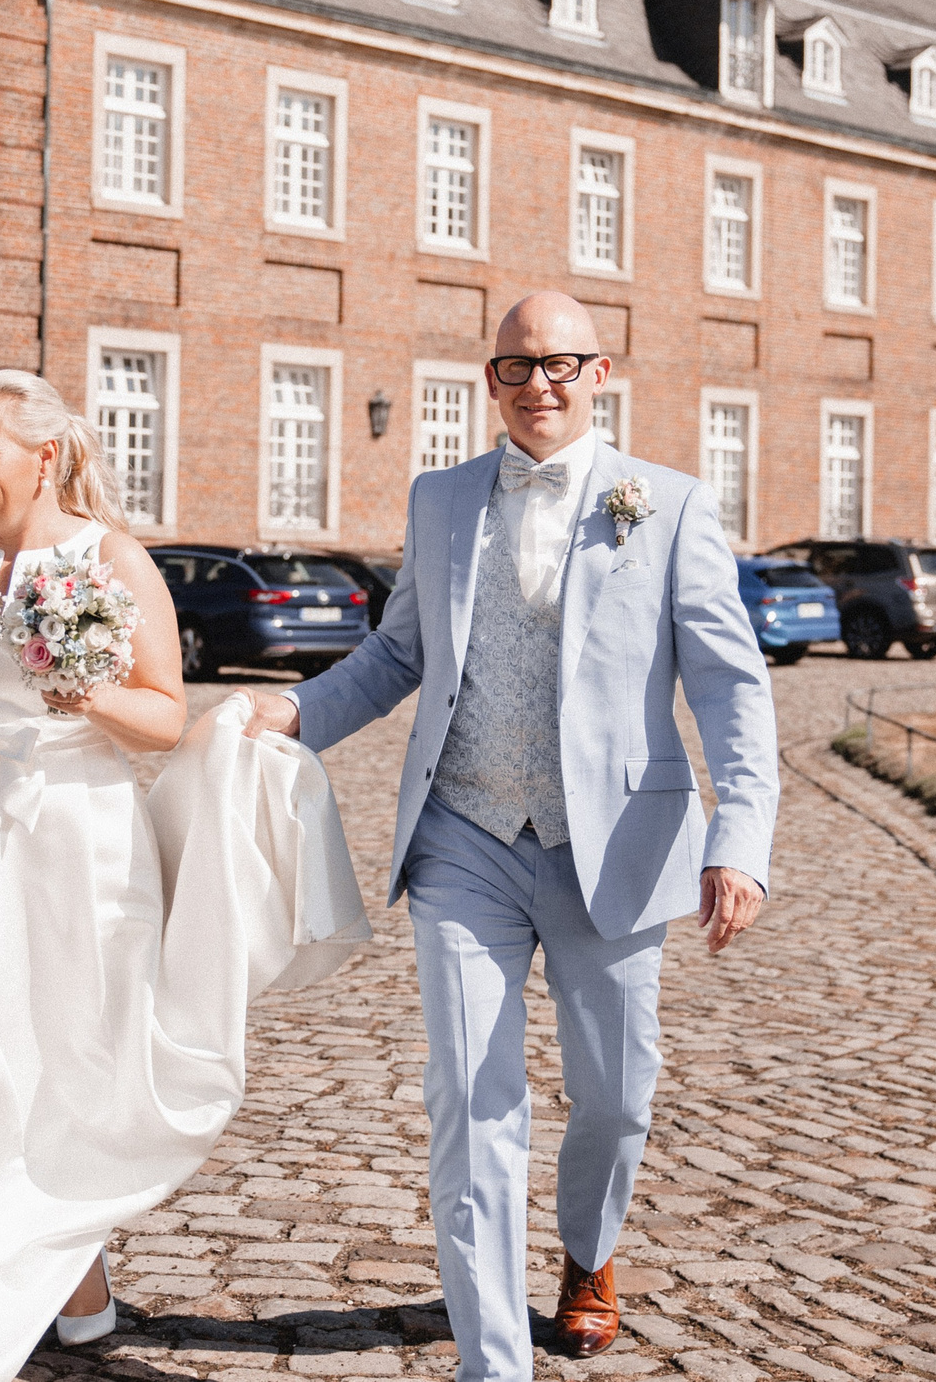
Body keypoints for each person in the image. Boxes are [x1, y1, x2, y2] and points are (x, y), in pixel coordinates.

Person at [246, 292, 780, 1381]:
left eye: (559, 365)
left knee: (617, 1094)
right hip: (463, 838)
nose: (537, 385)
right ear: (490, 379)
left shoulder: (667, 504)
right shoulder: (440, 499)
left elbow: (729, 684)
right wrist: (292, 714)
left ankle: (589, 1253)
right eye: (515, 367)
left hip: (618, 846)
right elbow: (397, 657)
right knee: (471, 1093)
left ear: (600, 372)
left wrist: (743, 835)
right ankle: (494, 1363)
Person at [0, 369, 369, 1382]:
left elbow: (161, 717)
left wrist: (83, 691)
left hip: (72, 846)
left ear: (45, 457)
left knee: (54, 1072)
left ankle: (69, 1272)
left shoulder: (110, 560)